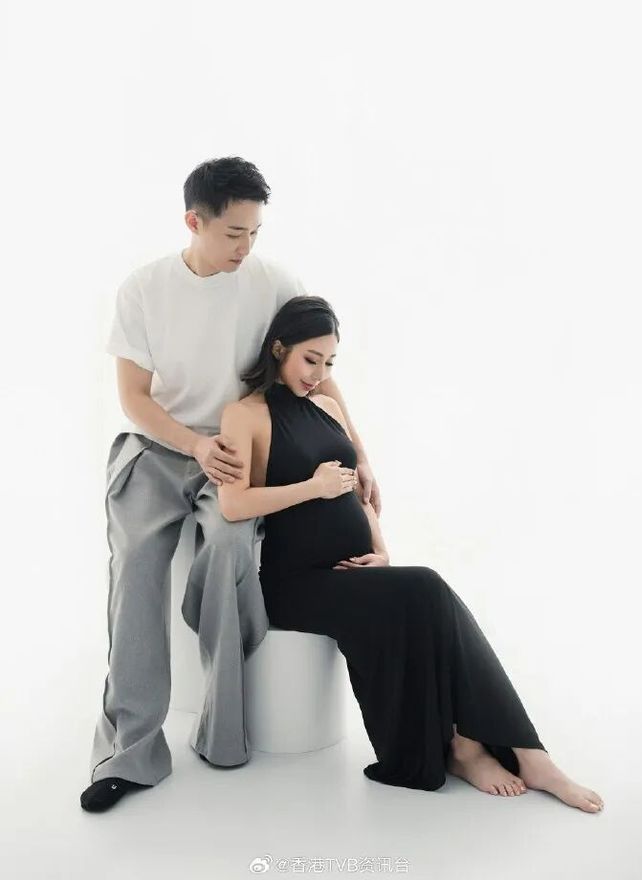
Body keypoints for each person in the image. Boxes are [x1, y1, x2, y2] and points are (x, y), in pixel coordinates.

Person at [217, 295, 605, 814]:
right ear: (278, 348)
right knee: (428, 587)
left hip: (354, 572)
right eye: (311, 360)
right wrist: (312, 487)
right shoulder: (245, 415)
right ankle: (521, 753)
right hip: (296, 583)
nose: (319, 374)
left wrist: (381, 551)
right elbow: (234, 503)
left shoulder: (328, 407)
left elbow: (359, 495)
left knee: (423, 597)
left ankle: (470, 747)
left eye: (329, 363)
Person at [80, 157, 381, 813]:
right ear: (195, 222)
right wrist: (193, 444)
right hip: (160, 447)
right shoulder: (144, 289)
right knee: (137, 566)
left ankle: (222, 730)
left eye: (255, 232)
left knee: (230, 551)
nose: (247, 247)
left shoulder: (275, 283)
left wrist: (358, 452)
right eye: (234, 233)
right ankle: (129, 752)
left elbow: (319, 371)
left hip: (245, 451)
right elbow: (134, 397)